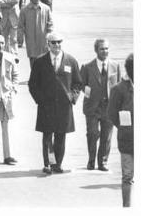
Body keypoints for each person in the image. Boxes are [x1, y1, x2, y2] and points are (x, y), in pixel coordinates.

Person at [28, 32, 82, 174]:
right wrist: (40, 100)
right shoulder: (40, 62)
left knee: (60, 136)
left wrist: (72, 97)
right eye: (53, 42)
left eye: (59, 42)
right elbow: (32, 84)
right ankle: (49, 163)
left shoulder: (71, 60)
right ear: (48, 44)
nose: (57, 45)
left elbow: (78, 83)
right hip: (47, 106)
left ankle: (57, 164)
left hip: (64, 106)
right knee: (47, 136)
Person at [80, 39, 122, 171]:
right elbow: (82, 85)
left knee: (107, 136)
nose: (105, 51)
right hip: (92, 107)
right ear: (96, 50)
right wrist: (90, 95)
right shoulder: (87, 67)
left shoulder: (115, 66)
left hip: (109, 107)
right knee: (92, 134)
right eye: (102, 49)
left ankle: (102, 161)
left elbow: (119, 85)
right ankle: (91, 161)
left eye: (107, 48)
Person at [108, 53, 133, 207]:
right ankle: (127, 208)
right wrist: (124, 127)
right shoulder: (119, 89)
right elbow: (111, 114)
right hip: (128, 140)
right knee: (127, 176)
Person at [0, 35, 19, 164]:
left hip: (6, 96)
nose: (0, 46)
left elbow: (15, 75)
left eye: (2, 43)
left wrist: (14, 87)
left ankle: (8, 155)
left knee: (6, 127)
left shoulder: (9, 57)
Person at [18, 0, 53, 66]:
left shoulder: (46, 9)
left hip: (43, 41)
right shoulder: (24, 10)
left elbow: (50, 24)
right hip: (31, 41)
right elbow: (20, 26)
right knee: (33, 64)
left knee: (45, 63)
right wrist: (20, 39)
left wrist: (49, 35)